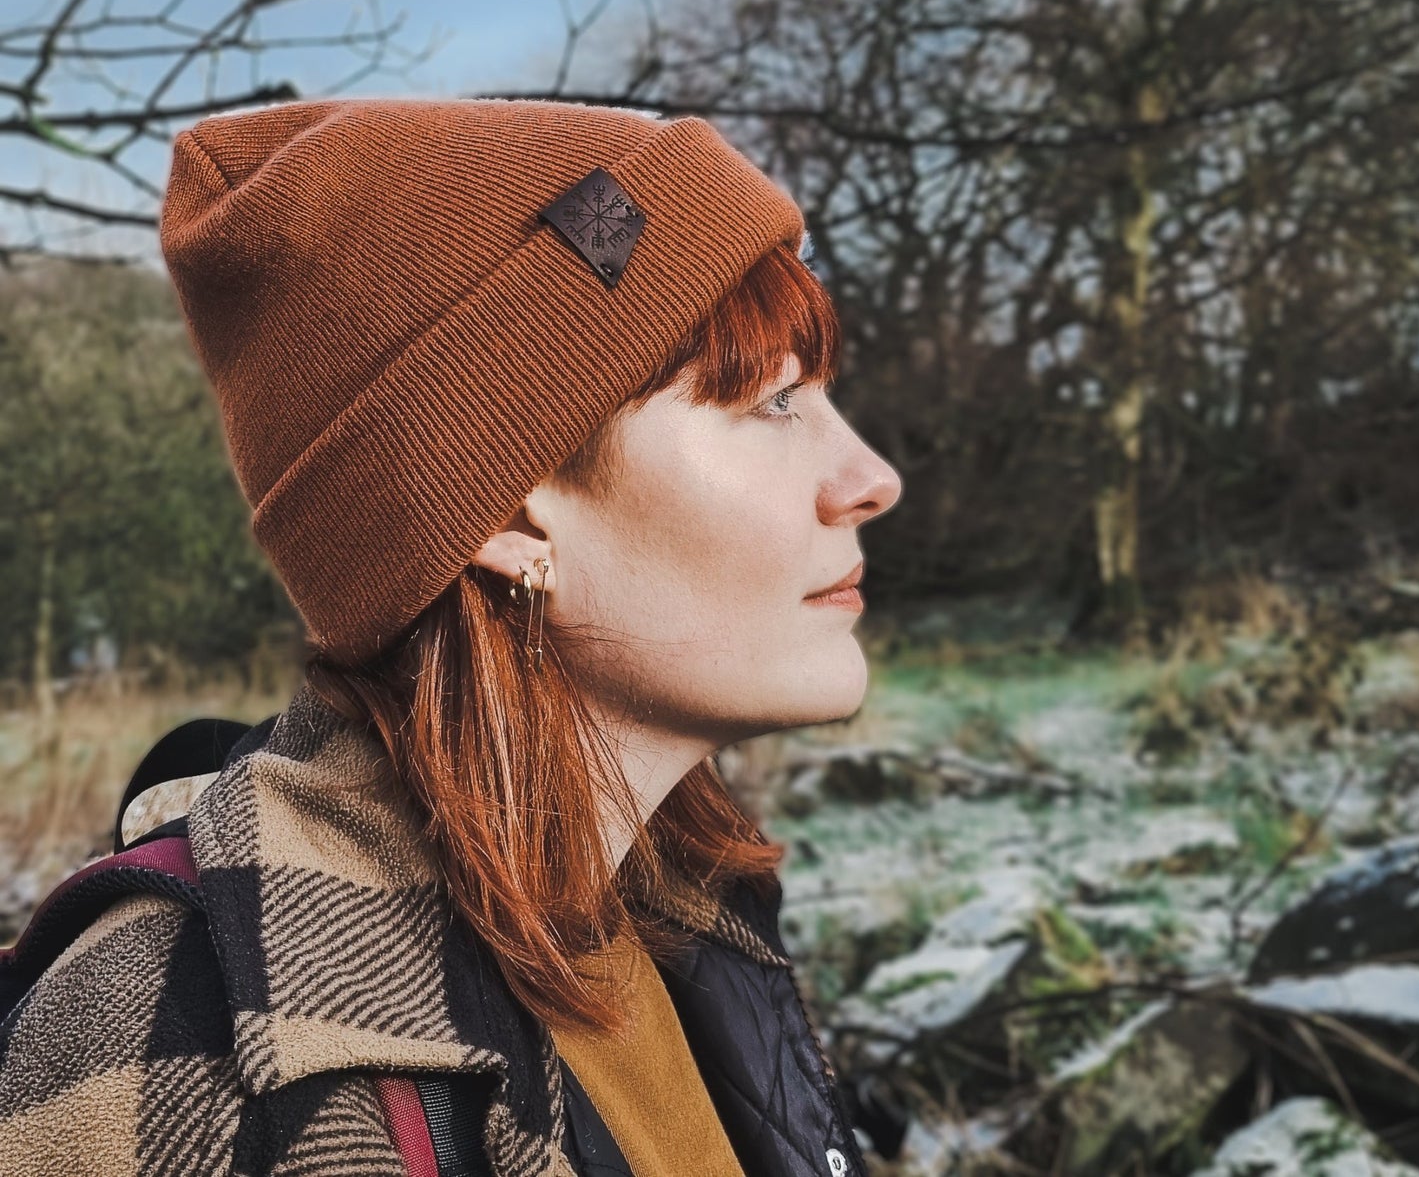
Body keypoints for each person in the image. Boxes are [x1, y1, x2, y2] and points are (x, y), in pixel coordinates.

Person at [0, 97, 903, 1176]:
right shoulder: (167, 1035)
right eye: (771, 401)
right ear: (510, 515)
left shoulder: (685, 915)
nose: (869, 479)